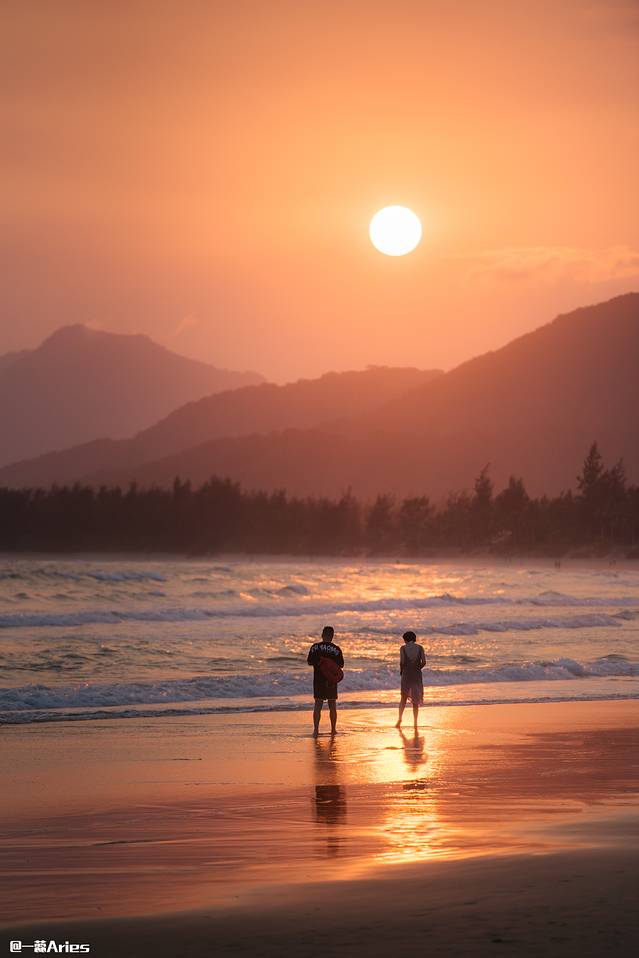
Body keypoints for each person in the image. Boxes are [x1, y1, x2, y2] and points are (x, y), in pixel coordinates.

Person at [307, 625, 344, 737]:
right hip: (331, 681)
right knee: (332, 705)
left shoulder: (315, 647)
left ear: (322, 635)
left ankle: (316, 730)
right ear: (332, 636)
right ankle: (333, 729)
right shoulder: (336, 649)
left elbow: (309, 661)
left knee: (318, 705)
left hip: (318, 680)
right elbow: (341, 665)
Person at [395, 630, 426, 729]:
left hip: (406, 674)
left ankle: (400, 719)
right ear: (414, 638)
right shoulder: (420, 648)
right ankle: (415, 723)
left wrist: (401, 671)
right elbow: (424, 662)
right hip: (417, 675)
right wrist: (417, 668)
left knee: (403, 698)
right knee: (415, 700)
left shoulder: (403, 648)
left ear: (405, 639)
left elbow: (402, 662)